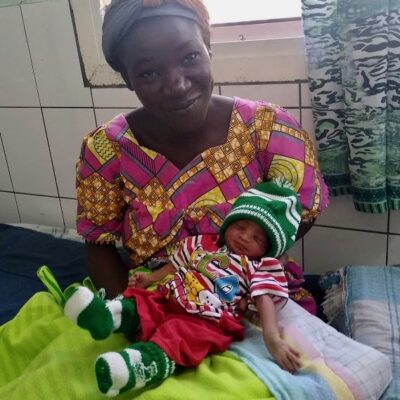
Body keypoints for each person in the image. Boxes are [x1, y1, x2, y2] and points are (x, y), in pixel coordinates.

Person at [76, 0, 329, 302]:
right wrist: (129, 314)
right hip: (156, 299)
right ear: (127, 77)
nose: (177, 85)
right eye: (148, 73)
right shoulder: (106, 148)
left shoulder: (267, 128)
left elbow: (302, 210)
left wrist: (244, 260)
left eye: (190, 56)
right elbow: (98, 242)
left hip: (252, 297)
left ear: (208, 46)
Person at [64, 180, 302, 397]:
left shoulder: (258, 267)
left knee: (180, 334)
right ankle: (107, 316)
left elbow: (264, 299)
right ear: (229, 223)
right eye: (240, 226)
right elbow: (176, 264)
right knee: (144, 301)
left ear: (269, 249)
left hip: (207, 319)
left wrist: (271, 337)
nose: (245, 237)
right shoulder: (205, 243)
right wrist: (151, 279)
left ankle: (138, 365)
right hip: (171, 296)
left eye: (258, 238)